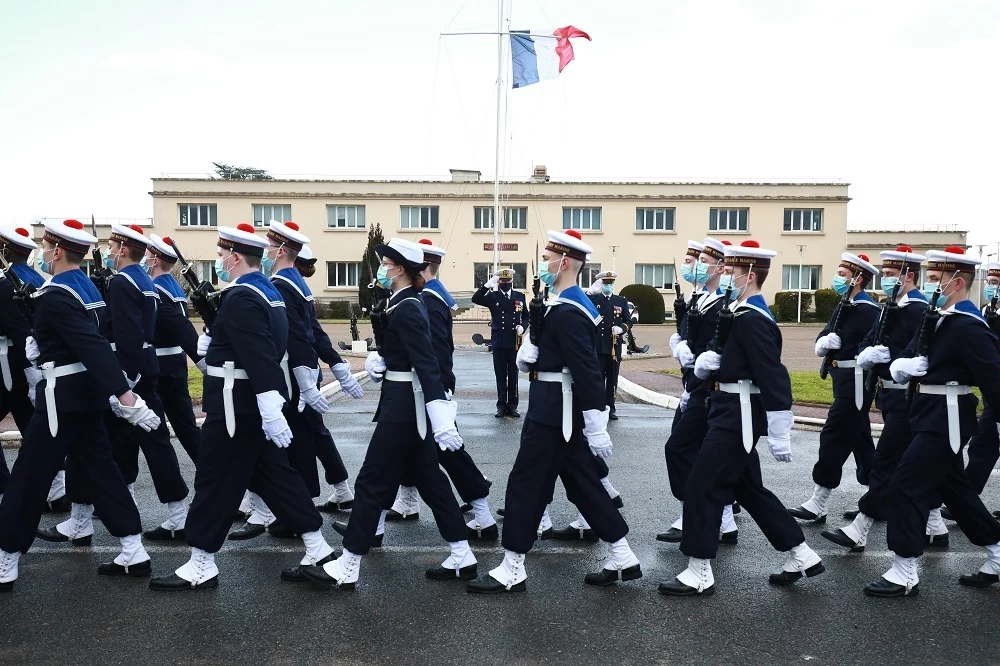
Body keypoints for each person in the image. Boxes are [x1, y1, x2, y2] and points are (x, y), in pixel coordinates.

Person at [148, 224, 336, 590]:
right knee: (276, 477)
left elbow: (260, 354)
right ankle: (318, 549)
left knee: (214, 482)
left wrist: (270, 408)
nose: (218, 262)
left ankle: (201, 563)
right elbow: (256, 341)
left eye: (221, 256)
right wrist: (213, 339)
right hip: (246, 403)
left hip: (236, 405)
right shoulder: (263, 291)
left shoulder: (243, 297)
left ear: (235, 257)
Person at [467, 229, 640, 594]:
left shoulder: (571, 310)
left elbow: (587, 368)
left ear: (564, 263)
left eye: (547, 258)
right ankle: (622, 555)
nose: (543, 264)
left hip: (555, 414)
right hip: (553, 409)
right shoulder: (564, 306)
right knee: (584, 485)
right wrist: (533, 347)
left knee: (525, 484)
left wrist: (596, 423)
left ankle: (513, 565)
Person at [300, 238, 475, 590]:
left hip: (404, 406)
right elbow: (408, 356)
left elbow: (427, 363)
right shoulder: (402, 302)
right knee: (430, 479)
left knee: (370, 481)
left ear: (397, 268)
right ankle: (462, 554)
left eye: (384, 263)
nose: (381, 268)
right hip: (402, 399)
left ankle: (348, 566)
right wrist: (385, 361)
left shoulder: (409, 305)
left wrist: (441, 417)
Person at [0, 219, 162, 590]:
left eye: (46, 246)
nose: (43, 252)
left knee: (29, 476)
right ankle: (133, 550)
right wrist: (42, 342)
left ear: (57, 251)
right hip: (86, 394)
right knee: (101, 470)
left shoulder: (55, 293)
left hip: (62, 399)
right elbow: (91, 339)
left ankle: (5, 558)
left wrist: (126, 395)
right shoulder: (86, 286)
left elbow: (92, 345)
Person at [659, 240, 824, 596]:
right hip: (726, 408)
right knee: (749, 490)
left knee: (703, 485)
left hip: (738, 416)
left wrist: (781, 428)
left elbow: (773, 374)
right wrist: (707, 367)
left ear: (750, 275)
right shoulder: (739, 312)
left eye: (732, 272)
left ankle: (699, 570)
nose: (726, 276)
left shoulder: (754, 318)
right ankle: (801, 553)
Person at [37, 224, 191, 546]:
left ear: (122, 250)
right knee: (121, 445)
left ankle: (89, 520)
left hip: (129, 372)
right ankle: (97, 516)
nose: (108, 252)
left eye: (111, 247)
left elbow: (127, 335)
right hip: (142, 370)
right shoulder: (144, 279)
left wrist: (125, 385)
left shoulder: (123, 282)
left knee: (107, 445)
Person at [864, 246, 1000, 597]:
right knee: (956, 493)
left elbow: (993, 377)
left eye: (938, 279)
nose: (931, 286)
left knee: (906, 485)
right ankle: (997, 552)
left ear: (958, 281)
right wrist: (899, 367)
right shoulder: (939, 317)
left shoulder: (969, 325)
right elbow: (910, 352)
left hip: (948, 417)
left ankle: (905, 568)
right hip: (926, 413)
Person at [369, 239, 498, 539]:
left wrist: (439, 396)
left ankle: (482, 517)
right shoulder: (425, 296)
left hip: (426, 393)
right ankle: (392, 512)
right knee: (404, 457)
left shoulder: (426, 300)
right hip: (422, 392)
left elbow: (434, 353)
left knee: (448, 456)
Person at [822, 247, 931, 551]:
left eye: (892, 274)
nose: (886, 279)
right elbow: (871, 339)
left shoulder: (920, 309)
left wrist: (894, 360)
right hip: (888, 396)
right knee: (938, 473)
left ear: (909, 276)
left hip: (908, 398)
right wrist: (867, 354)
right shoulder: (890, 306)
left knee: (885, 463)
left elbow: (921, 351)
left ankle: (861, 528)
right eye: (885, 273)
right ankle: (937, 526)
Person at [659, 237, 739, 545]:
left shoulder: (723, 303)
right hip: (694, 386)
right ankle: (724, 520)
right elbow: (691, 338)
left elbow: (716, 347)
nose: (697, 265)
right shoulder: (700, 299)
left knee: (680, 449)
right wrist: (679, 344)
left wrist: (692, 384)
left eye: (704, 260)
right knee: (707, 457)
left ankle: (695, 512)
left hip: (706, 390)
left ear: (720, 266)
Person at [789, 253, 879, 523]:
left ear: (858, 278)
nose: (838, 278)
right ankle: (880, 495)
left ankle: (819, 500)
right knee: (860, 441)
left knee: (834, 437)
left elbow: (872, 345)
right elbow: (826, 334)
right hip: (841, 380)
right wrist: (824, 342)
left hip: (857, 382)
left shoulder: (869, 310)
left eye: (843, 274)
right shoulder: (845, 305)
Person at [289, 243, 363, 515]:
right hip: (306, 369)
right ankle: (341, 489)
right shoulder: (301, 288)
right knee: (315, 431)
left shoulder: (286, 286)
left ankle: (299, 502)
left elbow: (301, 336)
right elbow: (316, 334)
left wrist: (335, 365)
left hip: (296, 371)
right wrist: (337, 364)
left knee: (299, 437)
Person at [0, 226, 66, 511]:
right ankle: (58, 488)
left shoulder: (5, 283)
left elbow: (16, 327)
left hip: (10, 364)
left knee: (37, 426)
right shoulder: (37, 278)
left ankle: (6, 490)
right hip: (30, 364)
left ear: (5, 251)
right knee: (35, 426)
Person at [145, 234, 203, 466]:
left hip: (159, 366)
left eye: (148, 255)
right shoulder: (175, 288)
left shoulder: (156, 289)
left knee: (155, 431)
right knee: (186, 426)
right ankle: (210, 473)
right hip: (176, 363)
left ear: (156, 260)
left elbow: (177, 328)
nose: (145, 259)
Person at [471, 268, 528, 418]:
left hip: (514, 341)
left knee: (513, 375)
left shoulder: (519, 296)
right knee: (500, 375)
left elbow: (527, 316)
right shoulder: (492, 296)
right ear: (499, 282)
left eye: (508, 281)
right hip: (499, 341)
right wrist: (486, 286)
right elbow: (475, 299)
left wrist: (524, 327)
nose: (506, 283)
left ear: (511, 281)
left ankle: (513, 406)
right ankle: (501, 405)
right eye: (502, 281)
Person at [584, 271, 633, 420]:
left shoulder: (621, 301)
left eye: (610, 284)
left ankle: (610, 407)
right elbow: (582, 306)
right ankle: (598, 406)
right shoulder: (593, 299)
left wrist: (622, 329)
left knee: (612, 378)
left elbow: (629, 321)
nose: (608, 286)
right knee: (597, 378)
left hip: (613, 346)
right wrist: (589, 292)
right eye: (605, 284)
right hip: (598, 346)